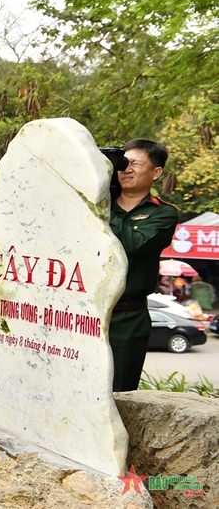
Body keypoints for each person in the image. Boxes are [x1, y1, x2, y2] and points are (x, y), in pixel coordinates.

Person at [109, 139, 178, 391]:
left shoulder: (163, 213)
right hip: (84, 312)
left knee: (119, 394)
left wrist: (102, 205)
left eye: (135, 164)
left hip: (127, 316)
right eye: (122, 163)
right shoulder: (92, 204)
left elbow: (130, 244)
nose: (126, 169)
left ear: (156, 172)